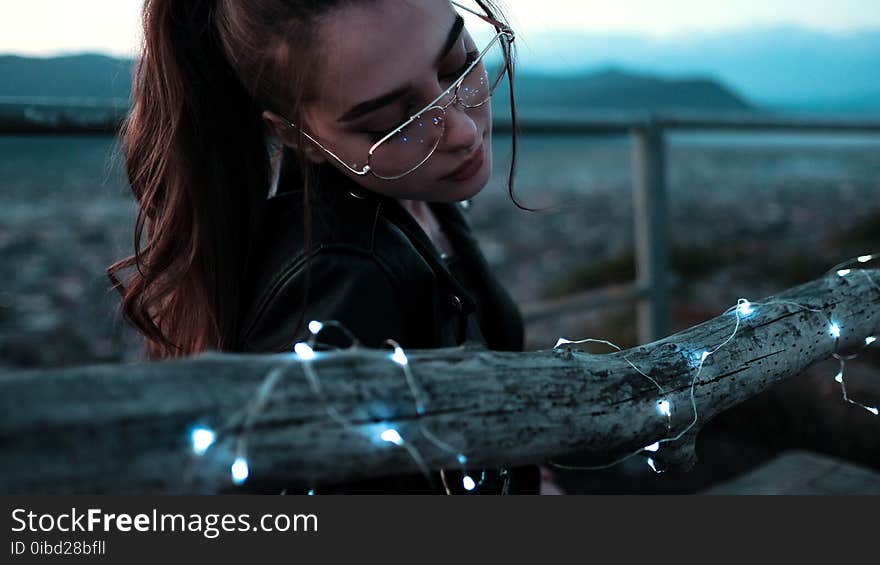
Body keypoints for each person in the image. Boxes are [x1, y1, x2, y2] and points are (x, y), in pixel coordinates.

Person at [108, 0, 543, 494]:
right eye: (391, 124)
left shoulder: (415, 200)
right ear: (301, 138)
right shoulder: (341, 281)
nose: (463, 132)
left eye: (458, 65)